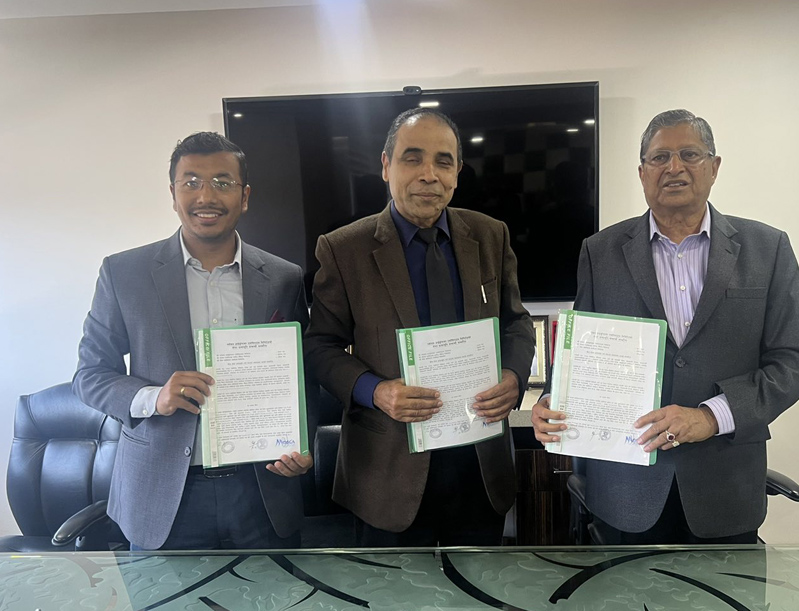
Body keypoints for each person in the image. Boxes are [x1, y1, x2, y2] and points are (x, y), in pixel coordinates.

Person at [532, 110, 799, 544]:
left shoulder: (767, 248)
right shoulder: (600, 251)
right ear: (642, 173)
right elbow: (583, 353)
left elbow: (795, 361)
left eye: (689, 154)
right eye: (659, 157)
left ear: (714, 167)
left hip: (725, 488)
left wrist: (711, 415)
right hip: (626, 491)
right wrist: (552, 402)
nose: (674, 167)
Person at [305, 108, 534, 546]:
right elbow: (320, 347)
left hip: (479, 466)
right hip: (387, 475)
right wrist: (376, 391)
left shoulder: (490, 235)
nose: (429, 174)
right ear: (386, 165)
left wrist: (514, 375)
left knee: (477, 584)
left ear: (457, 173)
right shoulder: (344, 249)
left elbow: (516, 322)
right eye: (413, 158)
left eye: (443, 161)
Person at [74, 132, 313, 550]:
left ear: (244, 196)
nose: (206, 196)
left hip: (262, 491)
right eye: (191, 182)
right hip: (162, 494)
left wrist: (301, 444)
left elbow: (305, 376)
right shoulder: (124, 273)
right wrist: (154, 397)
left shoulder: (284, 277)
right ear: (173, 194)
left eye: (223, 182)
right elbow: (90, 375)